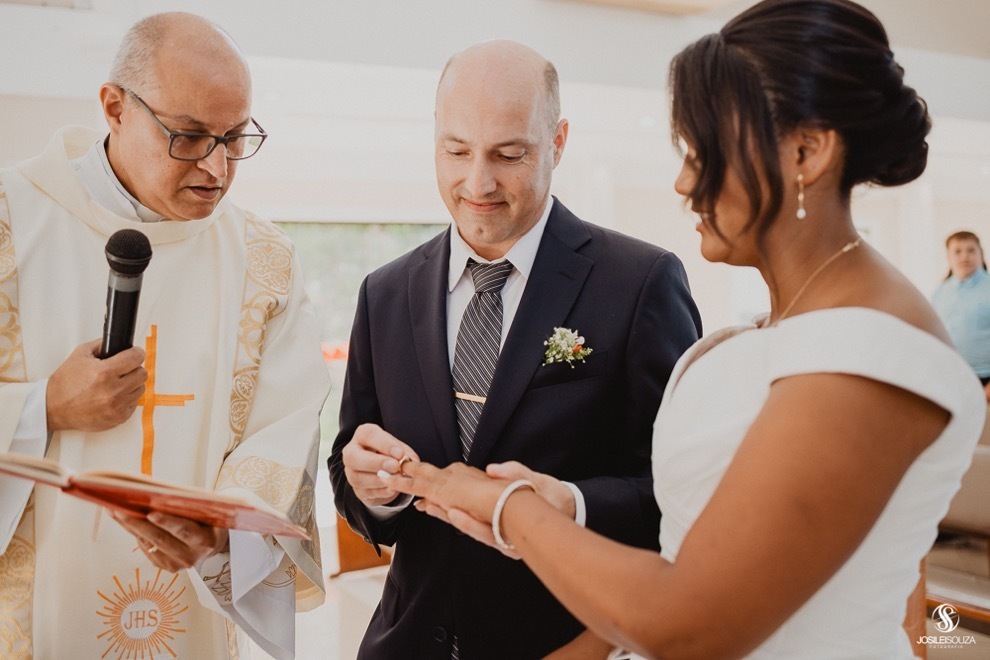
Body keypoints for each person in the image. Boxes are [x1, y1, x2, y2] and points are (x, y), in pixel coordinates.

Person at [378, 1, 987, 657]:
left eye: (703, 151)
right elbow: (690, 553)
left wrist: (510, 507)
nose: (684, 180)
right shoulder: (785, 324)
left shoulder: (872, 348)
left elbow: (690, 623)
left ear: (806, 151)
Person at [329, 40, 701, 658]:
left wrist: (571, 505)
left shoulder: (640, 283)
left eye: (508, 155)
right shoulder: (384, 293)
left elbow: (687, 494)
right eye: (456, 151)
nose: (478, 183)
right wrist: (372, 489)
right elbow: (351, 465)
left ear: (557, 142)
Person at [0, 13, 329, 659]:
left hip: (191, 613)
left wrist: (226, 534)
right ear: (114, 108)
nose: (218, 167)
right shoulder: (10, 224)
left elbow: (284, 430)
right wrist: (44, 407)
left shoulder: (264, 259)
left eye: (235, 137)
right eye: (190, 136)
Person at [932, 231, 990, 400]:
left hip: (986, 380)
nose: (965, 256)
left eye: (971, 250)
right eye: (957, 251)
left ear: (980, 254)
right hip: (953, 378)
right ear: (948, 257)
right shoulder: (940, 292)